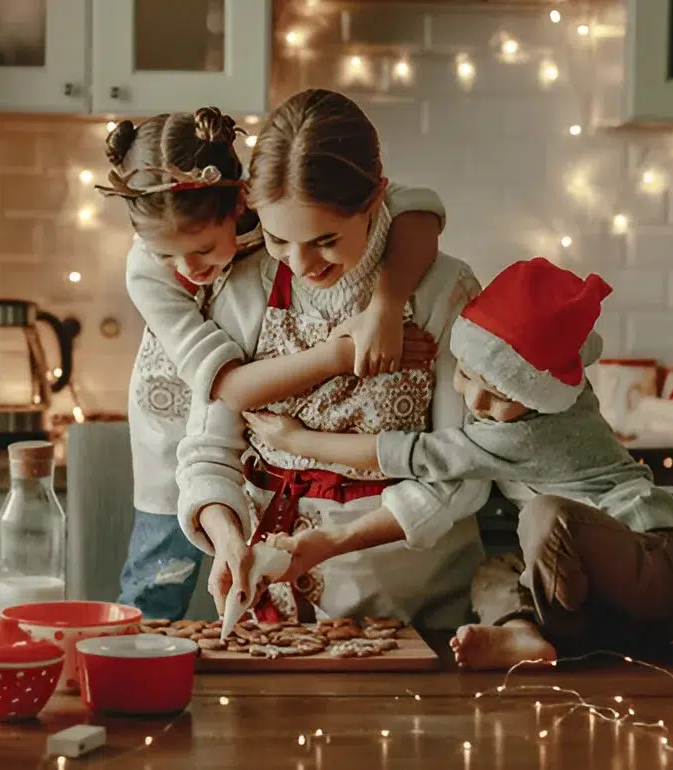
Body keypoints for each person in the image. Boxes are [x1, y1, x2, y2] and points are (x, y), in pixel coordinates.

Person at [246, 258, 673, 669]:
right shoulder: (550, 385)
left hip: (654, 571)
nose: (475, 400)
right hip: (607, 606)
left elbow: (412, 454)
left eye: (499, 395)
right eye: (465, 375)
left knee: (548, 515)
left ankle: (556, 635)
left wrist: (299, 439)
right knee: (493, 575)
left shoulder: (533, 430)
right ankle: (525, 636)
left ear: (537, 393)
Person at [104, 106, 448, 620]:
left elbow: (418, 208)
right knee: (160, 569)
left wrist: (384, 307)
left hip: (250, 401)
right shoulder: (148, 272)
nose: (187, 270)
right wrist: (342, 354)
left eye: (201, 249)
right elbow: (230, 390)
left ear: (241, 201)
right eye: (166, 257)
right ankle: (141, 661)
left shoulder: (277, 217)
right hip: (184, 400)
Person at [175, 89, 491, 629]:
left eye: (324, 240)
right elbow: (208, 448)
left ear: (375, 201)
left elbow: (462, 469)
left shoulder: (441, 290)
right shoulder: (245, 285)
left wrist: (338, 541)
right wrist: (228, 537)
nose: (299, 264)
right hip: (271, 608)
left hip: (414, 604)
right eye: (277, 238)